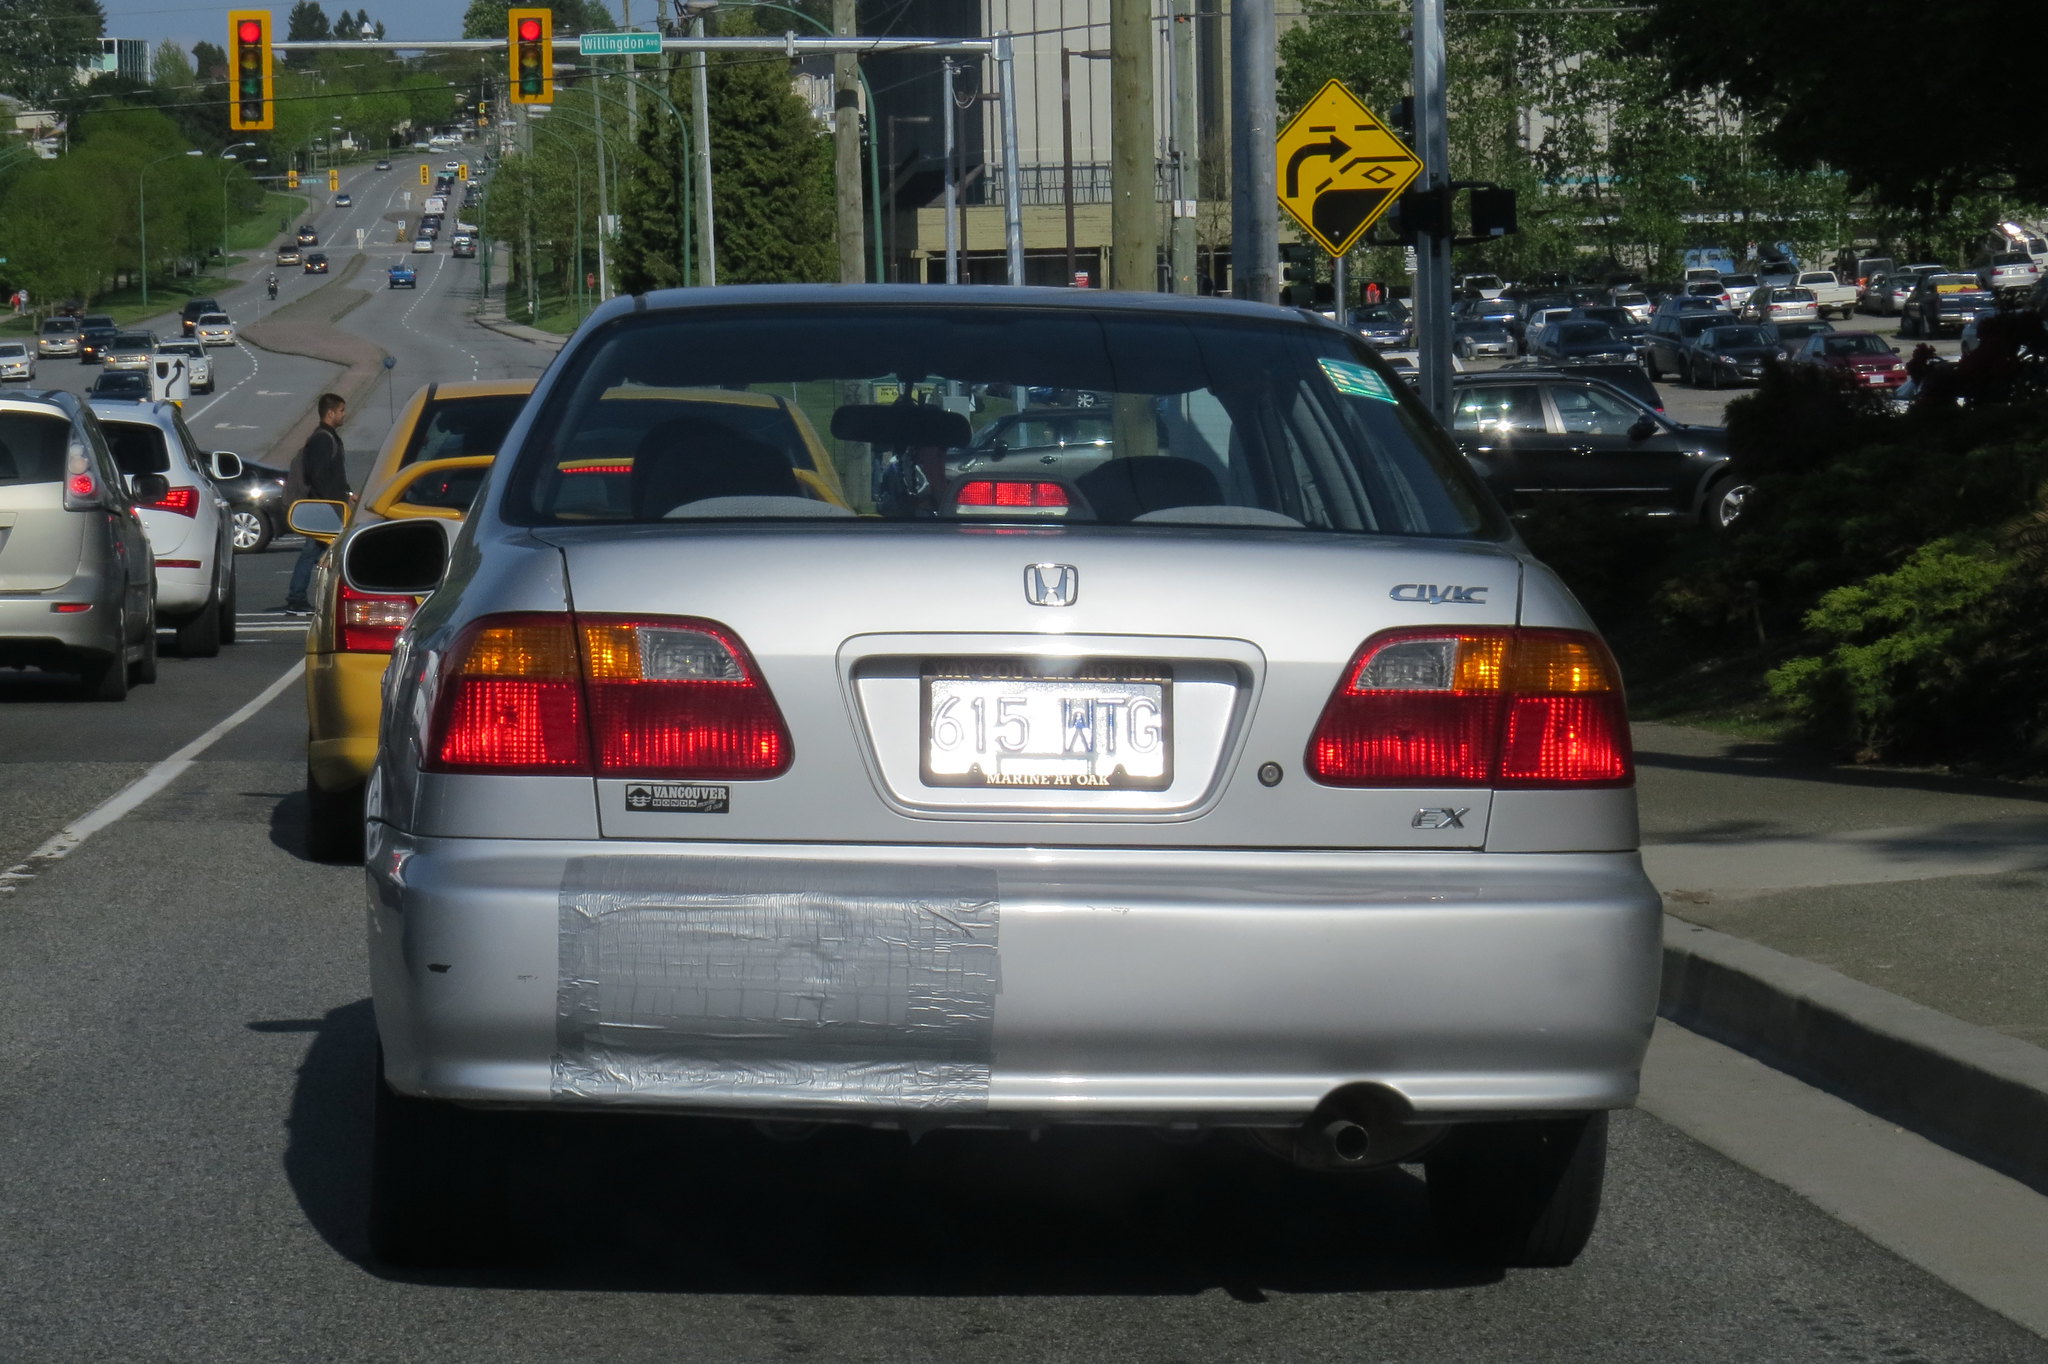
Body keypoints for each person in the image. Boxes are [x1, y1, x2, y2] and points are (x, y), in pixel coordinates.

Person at [282, 394, 352, 615]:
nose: (343, 414)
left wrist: (348, 493)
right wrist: (332, 504)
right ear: (330, 413)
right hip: (324, 507)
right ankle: (297, 598)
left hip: (327, 506)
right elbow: (320, 476)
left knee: (319, 553)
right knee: (314, 552)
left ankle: (301, 597)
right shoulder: (322, 439)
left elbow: (334, 475)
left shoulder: (327, 437)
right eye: (341, 410)